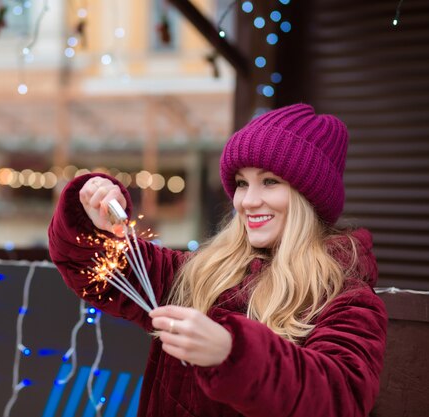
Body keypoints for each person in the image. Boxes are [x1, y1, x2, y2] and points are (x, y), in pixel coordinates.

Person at [48, 103, 387, 417]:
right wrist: (92, 218)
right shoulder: (199, 271)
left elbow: (337, 396)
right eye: (242, 183)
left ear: (308, 197)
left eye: (270, 182)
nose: (248, 201)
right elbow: (93, 271)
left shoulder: (347, 298)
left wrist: (233, 352)